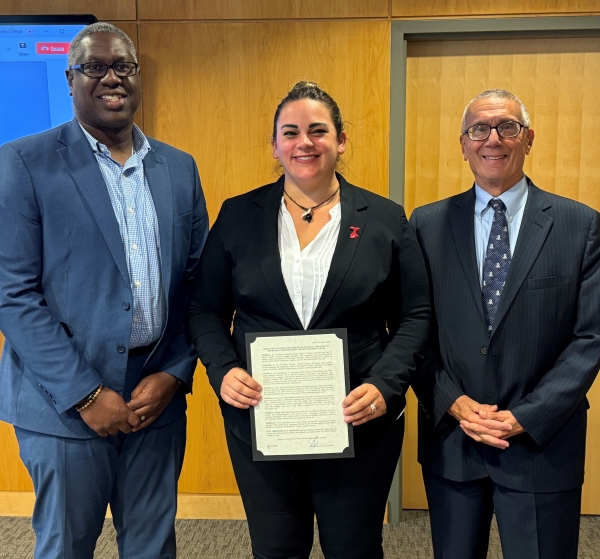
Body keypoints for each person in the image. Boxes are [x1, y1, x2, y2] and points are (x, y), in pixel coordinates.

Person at [187, 81, 430, 559]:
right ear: (275, 146)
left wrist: (386, 385)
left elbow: (416, 316)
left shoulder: (384, 218)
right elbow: (205, 310)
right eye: (291, 132)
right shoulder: (239, 216)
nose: (305, 142)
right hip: (263, 420)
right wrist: (222, 371)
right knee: (276, 549)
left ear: (340, 141)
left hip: (359, 419)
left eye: (318, 131)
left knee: (354, 548)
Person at [0, 22, 209, 559]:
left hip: (154, 402)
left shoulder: (178, 168)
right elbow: (14, 295)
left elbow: (197, 285)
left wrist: (174, 372)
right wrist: (87, 395)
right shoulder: (24, 162)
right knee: (66, 547)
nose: (112, 77)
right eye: (95, 67)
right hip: (64, 407)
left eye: (124, 66)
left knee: (152, 548)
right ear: (71, 79)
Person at [410, 89, 600, 559]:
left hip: (542, 445)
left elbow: (590, 338)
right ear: (463, 142)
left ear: (528, 138)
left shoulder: (580, 226)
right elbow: (413, 330)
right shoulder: (425, 225)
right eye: (479, 129)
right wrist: (450, 401)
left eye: (507, 127)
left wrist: (527, 415)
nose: (492, 139)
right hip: (454, 442)